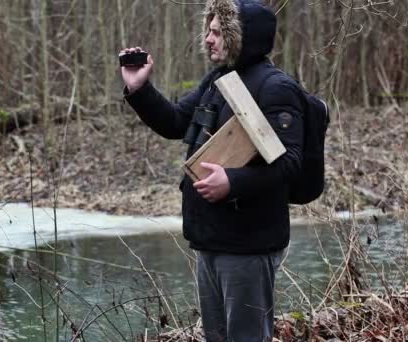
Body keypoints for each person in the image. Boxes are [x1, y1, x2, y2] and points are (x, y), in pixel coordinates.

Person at [120, 0, 305, 340]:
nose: (207, 38)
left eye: (218, 32)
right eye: (208, 30)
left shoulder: (275, 87)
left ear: (241, 38)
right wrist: (139, 89)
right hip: (211, 237)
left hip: (249, 243)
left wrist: (232, 182)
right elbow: (176, 121)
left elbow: (291, 162)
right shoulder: (219, 78)